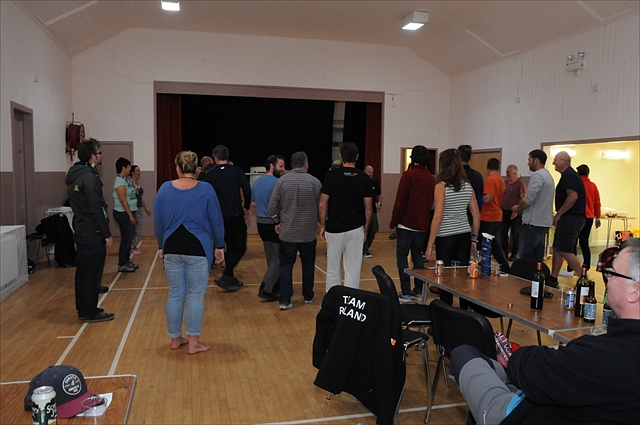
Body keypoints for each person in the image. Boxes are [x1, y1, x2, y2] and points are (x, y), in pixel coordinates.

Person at [450, 238, 640, 424]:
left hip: (520, 414)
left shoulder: (604, 356)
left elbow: (529, 371)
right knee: (493, 370)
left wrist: (512, 356)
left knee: (463, 354)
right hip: (544, 392)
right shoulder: (609, 351)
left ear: (634, 292)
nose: (607, 279)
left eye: (612, 273)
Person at [154, 151, 225, 354]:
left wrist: (161, 246)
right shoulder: (206, 189)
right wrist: (219, 246)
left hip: (172, 246)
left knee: (175, 293)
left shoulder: (164, 189)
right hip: (198, 247)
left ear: (177, 168)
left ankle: (175, 339)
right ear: (197, 169)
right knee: (195, 295)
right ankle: (194, 343)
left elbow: (159, 222)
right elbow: (216, 221)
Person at [65, 138, 115, 322]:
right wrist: (107, 233)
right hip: (92, 232)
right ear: (92, 156)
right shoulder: (89, 178)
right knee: (91, 273)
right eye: (99, 153)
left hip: (81, 229)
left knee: (83, 273)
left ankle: (83, 308)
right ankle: (90, 311)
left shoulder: (75, 174)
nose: (101, 156)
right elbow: (96, 208)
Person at [426, 148, 480, 305]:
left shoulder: (441, 187)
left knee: (445, 279)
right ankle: (464, 311)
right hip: (464, 236)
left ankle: (446, 311)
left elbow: (438, 216)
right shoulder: (467, 186)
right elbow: (476, 215)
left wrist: (429, 245)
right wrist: (474, 239)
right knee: (463, 277)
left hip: (445, 237)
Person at [269, 151, 321, 310]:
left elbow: (272, 206)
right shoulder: (315, 182)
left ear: (291, 164)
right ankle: (308, 295)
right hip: (308, 233)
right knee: (308, 265)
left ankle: (285, 300)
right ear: (306, 164)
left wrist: (277, 221)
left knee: (285, 266)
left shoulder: (281, 181)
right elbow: (321, 206)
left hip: (287, 233)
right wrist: (320, 223)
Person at [319, 142, 372, 292]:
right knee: (353, 270)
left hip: (334, 228)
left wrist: (322, 225)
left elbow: (322, 204)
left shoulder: (332, 175)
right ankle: (350, 300)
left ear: (340, 156)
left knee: (332, 268)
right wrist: (365, 231)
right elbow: (369, 210)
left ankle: (333, 300)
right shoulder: (364, 178)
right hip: (356, 229)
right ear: (357, 157)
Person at [199, 145, 251, 291]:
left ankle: (229, 275)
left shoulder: (209, 175)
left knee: (223, 246)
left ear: (215, 157)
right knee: (239, 247)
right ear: (227, 156)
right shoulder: (237, 171)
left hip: (216, 218)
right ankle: (227, 274)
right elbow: (247, 191)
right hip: (235, 216)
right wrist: (246, 206)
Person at [389, 146, 435, 302]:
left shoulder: (408, 175)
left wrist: (394, 221)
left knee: (402, 258)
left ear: (413, 158)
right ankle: (419, 290)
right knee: (417, 257)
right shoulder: (431, 178)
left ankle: (406, 292)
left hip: (406, 224)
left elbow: (400, 201)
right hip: (422, 225)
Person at [547, 151, 586, 288]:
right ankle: (553, 278)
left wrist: (559, 213)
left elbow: (573, 196)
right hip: (569, 217)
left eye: (556, 160)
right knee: (558, 248)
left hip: (572, 218)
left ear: (564, 161)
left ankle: (584, 280)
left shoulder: (569, 175)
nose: (553, 162)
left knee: (565, 250)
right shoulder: (567, 175)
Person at [251, 154, 285, 302]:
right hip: (273, 223)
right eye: (281, 166)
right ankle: (267, 287)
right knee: (278, 257)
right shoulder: (278, 183)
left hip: (261, 223)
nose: (283, 169)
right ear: (272, 166)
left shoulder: (257, 182)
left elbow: (253, 204)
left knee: (271, 256)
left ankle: (274, 285)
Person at [511, 149, 554, 262]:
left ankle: (526, 273)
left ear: (536, 161)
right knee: (537, 256)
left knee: (526, 256)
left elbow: (529, 198)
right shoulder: (548, 176)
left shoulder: (538, 175)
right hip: (543, 222)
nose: (527, 163)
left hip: (533, 223)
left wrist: (517, 208)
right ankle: (536, 273)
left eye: (529, 160)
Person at [560, 164, 601, 276]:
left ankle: (570, 268)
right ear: (588, 173)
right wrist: (598, 217)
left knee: (572, 243)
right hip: (589, 217)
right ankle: (586, 268)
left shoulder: (576, 184)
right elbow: (597, 203)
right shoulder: (593, 186)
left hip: (576, 217)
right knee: (584, 242)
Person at [479, 158, 510, 273]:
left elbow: (488, 198)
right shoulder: (501, 180)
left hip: (488, 216)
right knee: (494, 243)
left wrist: (476, 199)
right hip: (497, 215)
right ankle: (503, 265)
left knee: (487, 243)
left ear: (488, 168)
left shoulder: (490, 180)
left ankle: (486, 265)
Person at [112, 157, 139, 273]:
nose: (129, 169)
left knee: (129, 237)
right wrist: (130, 215)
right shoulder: (119, 181)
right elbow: (123, 200)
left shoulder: (127, 180)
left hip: (130, 211)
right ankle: (122, 264)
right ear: (123, 168)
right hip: (123, 213)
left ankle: (127, 260)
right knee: (126, 238)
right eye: (128, 167)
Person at [500, 165, 526, 261]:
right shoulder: (505, 183)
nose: (507, 174)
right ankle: (504, 253)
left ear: (515, 173)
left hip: (515, 212)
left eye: (509, 172)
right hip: (505, 211)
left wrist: (517, 210)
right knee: (503, 233)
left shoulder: (520, 184)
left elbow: (523, 198)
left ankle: (514, 254)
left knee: (515, 234)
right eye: (506, 172)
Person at [129, 165, 151, 256]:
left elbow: (141, 198)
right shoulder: (130, 184)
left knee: (138, 228)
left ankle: (134, 246)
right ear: (132, 173)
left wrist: (146, 208)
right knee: (133, 228)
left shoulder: (139, 183)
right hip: (133, 209)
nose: (139, 172)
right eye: (137, 171)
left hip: (139, 208)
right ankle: (131, 247)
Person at [363, 165, 382, 258]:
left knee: (374, 228)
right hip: (362, 211)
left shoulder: (374, 182)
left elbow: (379, 194)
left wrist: (379, 203)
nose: (370, 174)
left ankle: (365, 248)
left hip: (372, 211)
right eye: (368, 172)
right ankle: (361, 249)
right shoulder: (360, 181)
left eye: (372, 172)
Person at [458, 144, 484, 212]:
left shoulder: (452, 175)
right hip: (472, 214)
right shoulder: (477, 176)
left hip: (455, 214)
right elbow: (480, 200)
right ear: (470, 157)